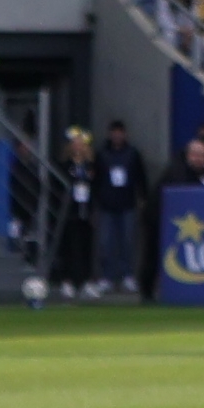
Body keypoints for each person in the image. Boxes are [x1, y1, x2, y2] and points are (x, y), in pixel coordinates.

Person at [95, 119, 145, 294]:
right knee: (106, 243)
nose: (117, 136)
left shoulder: (132, 154)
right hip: (107, 205)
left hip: (127, 204)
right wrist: (97, 200)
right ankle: (107, 276)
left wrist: (142, 198)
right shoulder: (102, 154)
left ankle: (127, 275)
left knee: (127, 242)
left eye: (119, 133)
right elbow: (97, 179)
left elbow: (140, 177)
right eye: (114, 133)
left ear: (124, 134)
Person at [52, 127, 99, 296]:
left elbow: (96, 187)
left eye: (81, 144)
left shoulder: (90, 166)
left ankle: (86, 281)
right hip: (70, 211)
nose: (78, 147)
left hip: (85, 212)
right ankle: (67, 280)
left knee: (87, 247)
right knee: (69, 247)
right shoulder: (65, 165)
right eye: (75, 144)